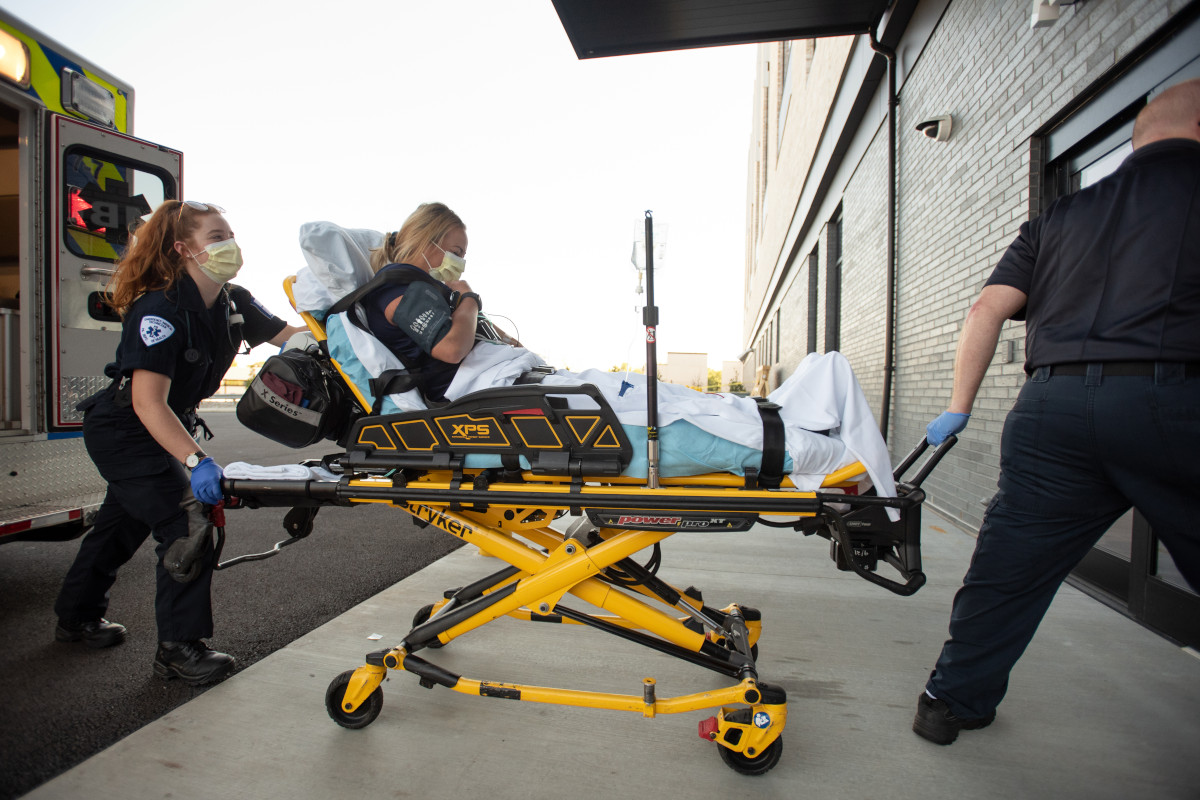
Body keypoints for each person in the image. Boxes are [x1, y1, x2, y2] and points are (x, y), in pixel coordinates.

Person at [914, 79, 1200, 745]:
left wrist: (959, 408)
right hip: (1171, 398)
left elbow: (987, 308)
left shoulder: (1058, 218)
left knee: (1008, 567)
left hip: (1050, 410)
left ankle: (949, 702)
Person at [54, 200, 305, 685]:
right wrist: (196, 460)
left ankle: (76, 616)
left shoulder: (235, 301)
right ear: (182, 248)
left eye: (229, 233)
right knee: (189, 523)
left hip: (164, 424)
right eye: (216, 237)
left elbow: (289, 337)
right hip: (127, 430)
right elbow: (149, 402)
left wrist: (334, 334)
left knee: (121, 526)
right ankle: (177, 649)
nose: (229, 245)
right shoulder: (161, 307)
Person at [359, 201, 518, 402]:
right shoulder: (395, 288)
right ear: (425, 242)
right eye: (456, 252)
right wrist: (470, 299)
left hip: (500, 374)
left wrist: (514, 345)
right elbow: (452, 349)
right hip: (474, 388)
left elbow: (480, 328)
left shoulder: (434, 291)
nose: (460, 262)